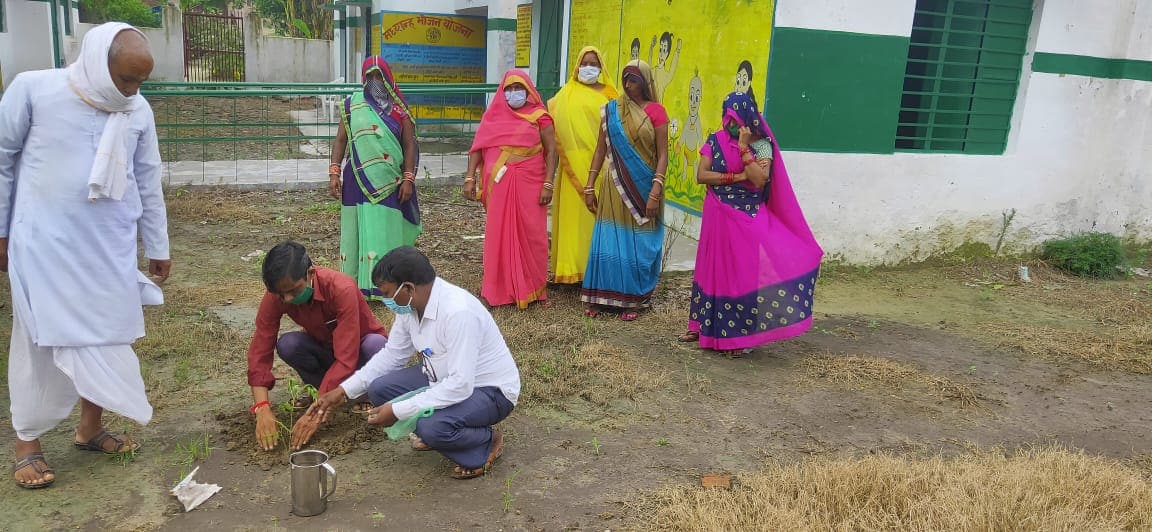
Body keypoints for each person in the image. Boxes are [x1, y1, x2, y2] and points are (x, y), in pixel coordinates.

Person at [0, 22, 172, 489]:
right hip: (43, 245)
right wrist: (1, 233)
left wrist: (158, 246)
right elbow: (2, 159)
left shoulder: (137, 110)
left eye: (140, 82)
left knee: (107, 334)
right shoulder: (33, 90)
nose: (132, 90)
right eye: (126, 79)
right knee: (40, 340)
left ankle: (90, 427)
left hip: (108, 247)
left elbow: (147, 177)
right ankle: (27, 444)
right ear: (99, 62)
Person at [296, 246, 521, 480]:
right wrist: (343, 391)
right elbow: (392, 355)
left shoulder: (458, 313)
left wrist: (397, 410)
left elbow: (460, 385)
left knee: (431, 427)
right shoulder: (410, 307)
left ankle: (485, 440)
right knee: (379, 389)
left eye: (387, 293)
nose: (385, 300)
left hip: (488, 391)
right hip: (440, 376)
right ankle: (446, 428)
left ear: (409, 288)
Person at [679, 92, 823, 357]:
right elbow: (702, 175)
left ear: (748, 117)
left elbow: (758, 180)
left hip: (747, 217)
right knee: (710, 269)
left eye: (735, 119)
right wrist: (737, 176)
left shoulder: (762, 146)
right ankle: (700, 326)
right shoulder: (716, 140)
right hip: (717, 212)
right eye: (727, 118)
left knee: (741, 276)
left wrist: (745, 148)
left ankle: (738, 337)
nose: (730, 124)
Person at [246, 241, 389, 451]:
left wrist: (316, 411)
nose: (287, 299)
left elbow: (346, 358)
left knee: (376, 345)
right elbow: (261, 347)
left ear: (311, 273)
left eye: (294, 291)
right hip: (327, 352)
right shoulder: (278, 294)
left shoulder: (342, 289)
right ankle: (324, 392)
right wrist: (262, 407)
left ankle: (364, 394)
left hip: (358, 355)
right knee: (289, 344)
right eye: (281, 295)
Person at [581, 60, 669, 321]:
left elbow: (663, 155)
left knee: (639, 243)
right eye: (626, 79)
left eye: (634, 80)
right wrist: (589, 185)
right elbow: (600, 150)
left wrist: (656, 189)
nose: (629, 85)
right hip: (614, 184)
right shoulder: (612, 110)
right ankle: (600, 296)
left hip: (645, 185)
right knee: (608, 237)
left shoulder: (657, 112)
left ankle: (633, 301)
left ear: (645, 82)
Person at [464, 70, 558, 309]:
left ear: (528, 91)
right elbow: (478, 147)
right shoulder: (492, 116)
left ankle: (533, 288)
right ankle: (496, 289)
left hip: (531, 182)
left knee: (532, 234)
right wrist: (469, 178)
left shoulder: (540, 116)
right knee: (498, 233)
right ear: (502, 92)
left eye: (519, 88)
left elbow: (552, 151)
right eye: (509, 89)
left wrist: (548, 183)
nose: (514, 93)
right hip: (500, 185)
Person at [330, 56, 421, 301]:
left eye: (379, 76)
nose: (375, 81)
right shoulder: (352, 105)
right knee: (355, 230)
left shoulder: (400, 109)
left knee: (385, 228)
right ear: (363, 79)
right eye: (369, 76)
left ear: (388, 78)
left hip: (390, 180)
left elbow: (409, 145)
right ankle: (353, 286)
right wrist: (334, 171)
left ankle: (388, 283)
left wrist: (408, 178)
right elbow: (341, 140)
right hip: (357, 179)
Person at [547, 46, 618, 284]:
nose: (589, 67)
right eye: (585, 62)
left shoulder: (611, 94)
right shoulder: (564, 96)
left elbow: (617, 130)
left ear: (601, 68)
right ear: (577, 66)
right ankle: (571, 269)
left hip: (603, 164)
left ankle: (596, 269)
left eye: (594, 63)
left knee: (598, 218)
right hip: (571, 167)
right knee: (573, 219)